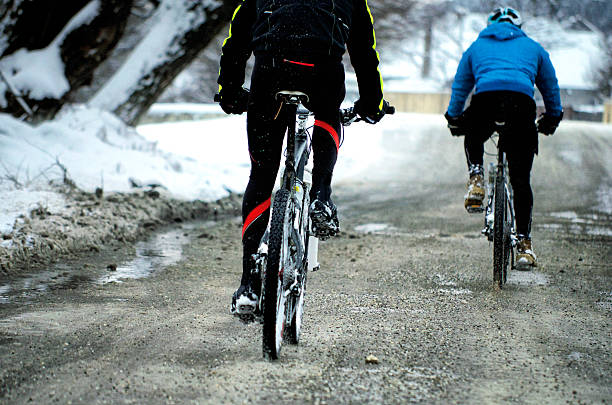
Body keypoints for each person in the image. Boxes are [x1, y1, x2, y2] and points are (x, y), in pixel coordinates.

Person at [216, 0, 390, 316]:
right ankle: (322, 194)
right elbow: (365, 53)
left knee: (262, 175)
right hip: (322, 67)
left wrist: (229, 90)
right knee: (327, 110)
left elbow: (236, 40)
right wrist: (372, 102)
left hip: (271, 69)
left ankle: (248, 286)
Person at [444, 7, 563, 270]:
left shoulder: (476, 47)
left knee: (473, 131)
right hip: (520, 105)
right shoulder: (534, 47)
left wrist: (454, 116)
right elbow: (550, 86)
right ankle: (524, 245)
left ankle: (476, 178)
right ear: (518, 26)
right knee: (521, 181)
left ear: (490, 24)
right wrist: (552, 117)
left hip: (486, 101)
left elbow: (461, 85)